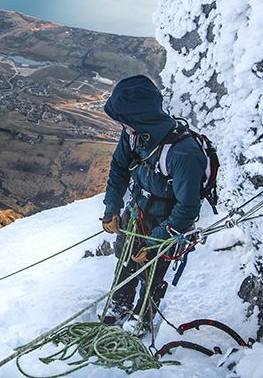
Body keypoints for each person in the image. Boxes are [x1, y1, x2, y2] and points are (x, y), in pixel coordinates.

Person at [100, 75, 206, 332]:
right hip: (137, 211)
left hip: (168, 221)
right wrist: (112, 207)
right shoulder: (135, 135)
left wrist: (155, 242)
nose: (123, 127)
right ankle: (121, 304)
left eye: (125, 121)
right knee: (127, 258)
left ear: (140, 118)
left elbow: (188, 208)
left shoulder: (183, 153)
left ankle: (143, 316)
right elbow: (119, 168)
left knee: (153, 270)